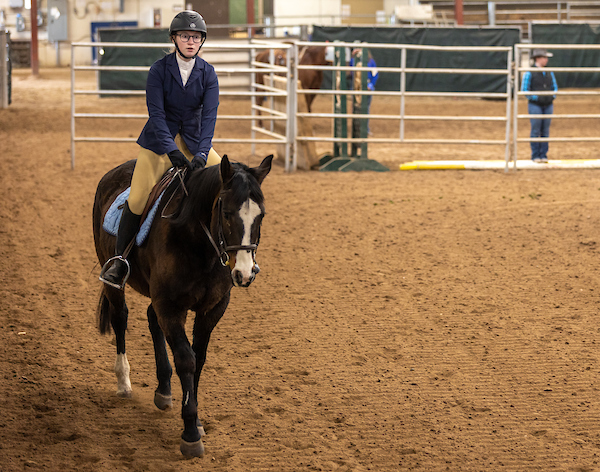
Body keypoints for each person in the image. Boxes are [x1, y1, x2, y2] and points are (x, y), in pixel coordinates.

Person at [100, 10, 221, 289]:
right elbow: (155, 114)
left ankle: (231, 254)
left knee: (225, 183)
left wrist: (202, 154)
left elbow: (210, 118)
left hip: (194, 143)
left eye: (196, 37)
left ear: (201, 41)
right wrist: (171, 150)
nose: (190, 41)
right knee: (139, 196)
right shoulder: (158, 70)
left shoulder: (208, 73)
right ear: (174, 38)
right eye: (185, 36)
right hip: (158, 142)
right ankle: (120, 261)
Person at [521, 48, 558, 163]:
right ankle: (535, 155)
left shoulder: (549, 72)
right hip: (535, 105)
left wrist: (551, 96)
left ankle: (543, 154)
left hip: (548, 104)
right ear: (538, 58)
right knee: (536, 130)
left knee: (545, 130)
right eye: (544, 57)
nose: (546, 60)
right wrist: (537, 98)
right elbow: (525, 90)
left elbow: (555, 87)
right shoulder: (529, 72)